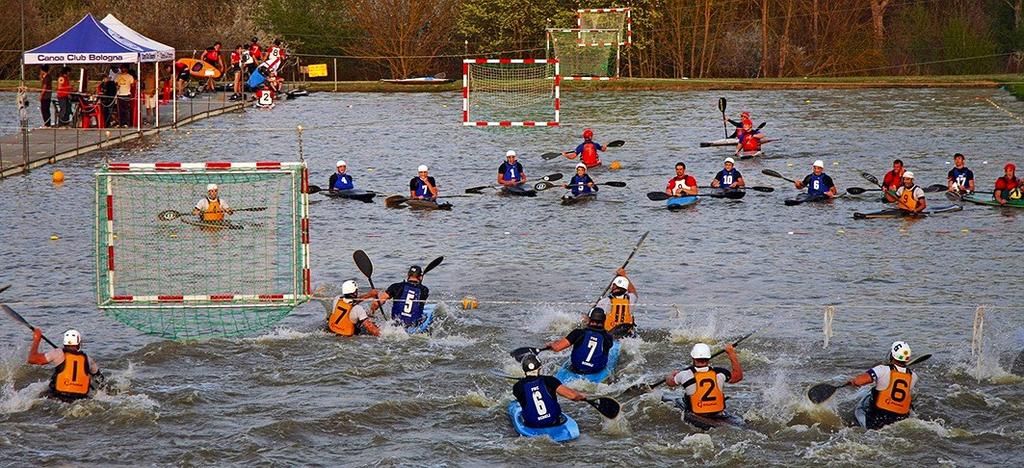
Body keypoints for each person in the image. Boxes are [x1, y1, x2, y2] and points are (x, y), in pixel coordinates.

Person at [845, 341, 917, 429]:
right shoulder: (913, 376)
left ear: (892, 355)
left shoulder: (881, 369)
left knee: (870, 396)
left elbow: (859, 381)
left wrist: (853, 381)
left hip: (878, 418)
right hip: (899, 418)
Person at [665, 342, 743, 416]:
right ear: (708, 357)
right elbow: (738, 376)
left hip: (697, 413)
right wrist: (731, 354)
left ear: (693, 357)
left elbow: (670, 383)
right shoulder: (720, 373)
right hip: (717, 412)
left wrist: (671, 375)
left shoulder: (684, 374)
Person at [512, 354, 589, 429]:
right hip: (553, 422)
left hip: (533, 425)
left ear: (524, 370)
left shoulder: (517, 387)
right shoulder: (550, 380)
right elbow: (573, 396)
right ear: (539, 368)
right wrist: (581, 396)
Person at [27, 328, 101, 401]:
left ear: (64, 343)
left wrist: (36, 340)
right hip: (80, 399)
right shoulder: (89, 360)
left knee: (40, 395)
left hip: (58, 396)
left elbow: (32, 359)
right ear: (78, 344)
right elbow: (100, 379)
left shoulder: (58, 353)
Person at [540, 307, 615, 375]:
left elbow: (557, 348)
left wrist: (551, 345)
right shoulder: (608, 337)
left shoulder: (578, 333)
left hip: (576, 369)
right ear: (604, 320)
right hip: (595, 371)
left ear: (589, 319)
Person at [595, 268, 638, 334]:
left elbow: (596, 320)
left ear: (613, 287)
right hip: (627, 335)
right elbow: (633, 291)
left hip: (609, 334)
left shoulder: (604, 302)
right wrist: (624, 275)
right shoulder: (631, 299)